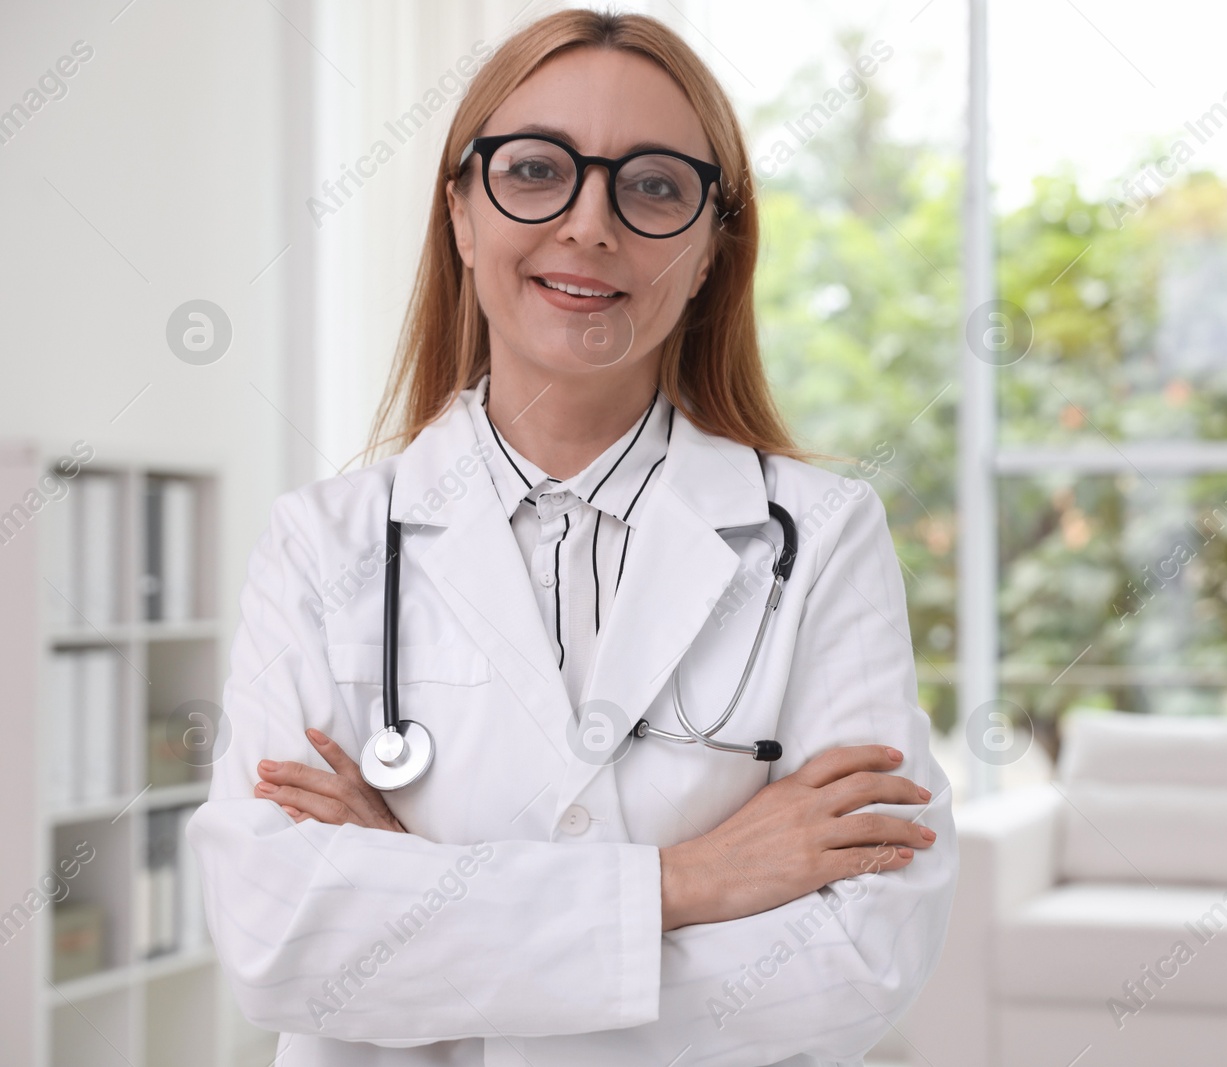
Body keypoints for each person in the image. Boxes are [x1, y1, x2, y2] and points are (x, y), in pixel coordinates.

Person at [184, 8, 957, 1066]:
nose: (590, 224)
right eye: (538, 169)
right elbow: (281, 941)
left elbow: (862, 955)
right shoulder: (323, 546)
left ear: (708, 249)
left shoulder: (819, 539)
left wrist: (422, 904)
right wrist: (690, 880)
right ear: (460, 210)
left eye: (651, 185)